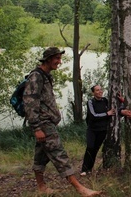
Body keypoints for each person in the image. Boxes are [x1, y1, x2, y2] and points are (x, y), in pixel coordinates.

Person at [23, 47, 101, 196]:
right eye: (57, 59)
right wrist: (37, 128)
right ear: (48, 59)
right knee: (59, 154)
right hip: (43, 124)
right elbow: (29, 103)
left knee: (40, 156)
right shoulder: (36, 76)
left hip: (47, 123)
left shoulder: (46, 76)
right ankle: (80, 189)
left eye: (60, 58)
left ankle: (41, 187)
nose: (59, 62)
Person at [80, 85, 115, 176]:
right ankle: (84, 169)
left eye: (100, 90)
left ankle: (89, 169)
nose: (100, 91)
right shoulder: (90, 102)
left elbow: (114, 108)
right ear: (93, 93)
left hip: (102, 130)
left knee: (95, 150)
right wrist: (107, 114)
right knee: (90, 147)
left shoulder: (105, 101)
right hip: (92, 129)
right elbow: (93, 115)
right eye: (97, 90)